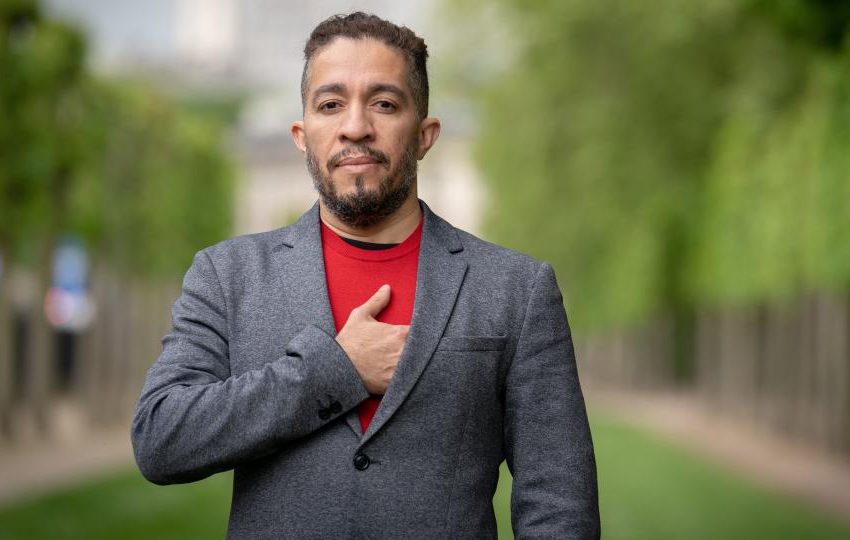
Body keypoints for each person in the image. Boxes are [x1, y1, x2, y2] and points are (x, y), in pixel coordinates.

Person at [131, 12, 599, 539]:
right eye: (331, 105)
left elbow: (560, 508)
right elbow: (160, 438)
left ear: (425, 135)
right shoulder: (226, 275)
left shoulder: (518, 290)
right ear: (302, 135)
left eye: (384, 103)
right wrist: (334, 370)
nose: (355, 126)